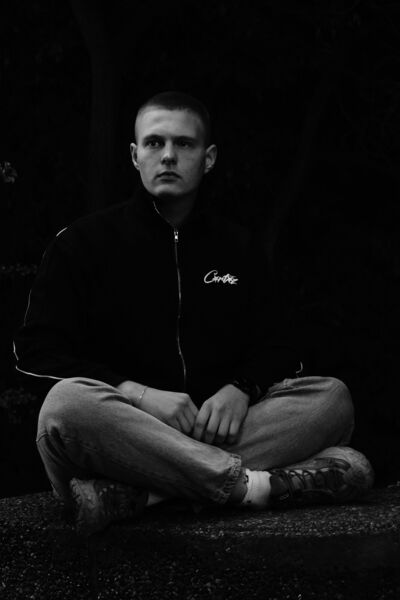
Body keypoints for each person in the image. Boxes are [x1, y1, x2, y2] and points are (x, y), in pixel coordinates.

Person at [14, 91, 374, 536]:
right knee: (66, 406)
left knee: (332, 398)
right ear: (135, 155)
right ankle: (254, 486)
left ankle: (144, 494)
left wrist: (241, 389)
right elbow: (36, 354)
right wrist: (138, 395)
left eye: (183, 144)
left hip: (213, 432)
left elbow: (281, 346)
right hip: (120, 437)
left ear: (208, 158)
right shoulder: (81, 244)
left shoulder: (238, 247)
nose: (168, 155)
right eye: (154, 143)